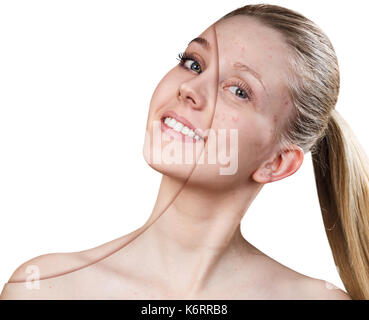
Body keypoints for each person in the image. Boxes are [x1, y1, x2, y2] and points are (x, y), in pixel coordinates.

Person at [1, 3, 367, 300]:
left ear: (277, 163)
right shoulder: (46, 288)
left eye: (239, 91)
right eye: (194, 63)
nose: (191, 87)